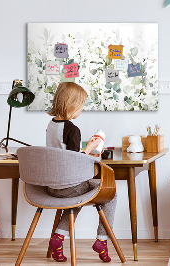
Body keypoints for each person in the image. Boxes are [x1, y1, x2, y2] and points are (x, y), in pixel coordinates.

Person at [46, 82, 116, 263]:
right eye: (81, 105)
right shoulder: (72, 129)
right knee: (111, 194)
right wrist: (91, 148)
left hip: (52, 186)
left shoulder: (51, 125)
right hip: (69, 186)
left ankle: (58, 238)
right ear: (72, 105)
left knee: (76, 197)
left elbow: (63, 154)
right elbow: (74, 161)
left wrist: (86, 149)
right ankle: (102, 240)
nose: (81, 110)